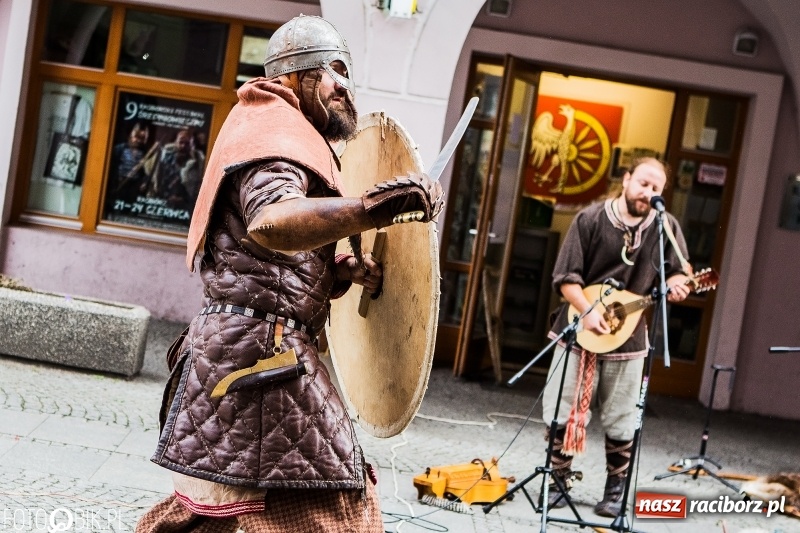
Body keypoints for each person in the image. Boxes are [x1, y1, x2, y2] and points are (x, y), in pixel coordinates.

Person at [135, 15, 443, 533]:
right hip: (261, 355)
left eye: (347, 73)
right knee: (337, 509)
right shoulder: (275, 130)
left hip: (244, 348)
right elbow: (272, 221)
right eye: (332, 71)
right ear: (293, 77)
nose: (344, 87)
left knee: (218, 510)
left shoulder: (282, 132)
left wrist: (340, 270)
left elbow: (265, 259)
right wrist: (374, 208)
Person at [540, 157, 691, 517]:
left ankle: (615, 491)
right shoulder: (590, 219)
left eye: (656, 188)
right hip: (579, 329)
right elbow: (565, 277)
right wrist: (587, 310)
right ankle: (557, 482)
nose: (647, 192)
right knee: (562, 409)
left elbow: (679, 272)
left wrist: (678, 286)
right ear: (626, 180)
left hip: (629, 338)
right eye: (642, 183)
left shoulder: (665, 226)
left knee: (623, 417)